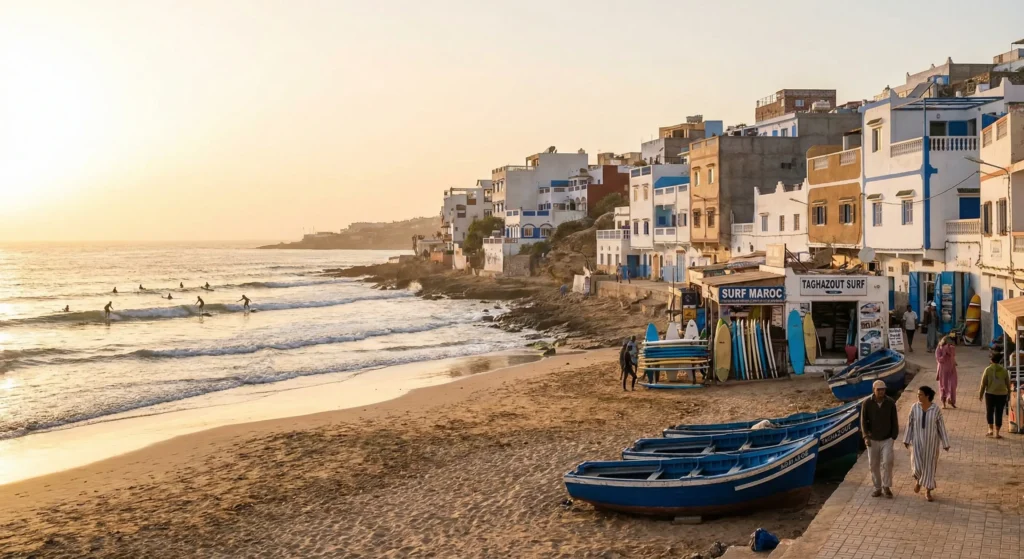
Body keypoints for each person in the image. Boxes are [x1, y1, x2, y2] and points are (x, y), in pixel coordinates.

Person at [902, 386, 951, 502]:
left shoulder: (935, 410)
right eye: (918, 394)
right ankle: (918, 480)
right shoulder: (914, 408)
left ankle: (928, 491)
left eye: (920, 394)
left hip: (931, 443)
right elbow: (910, 424)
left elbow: (941, 426)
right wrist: (906, 439)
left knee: (929, 467)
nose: (918, 396)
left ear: (927, 396)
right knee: (917, 465)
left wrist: (945, 443)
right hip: (917, 441)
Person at [861, 380, 899, 498]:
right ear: (874, 390)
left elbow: (894, 421)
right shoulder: (867, 403)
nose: (881, 391)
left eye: (883, 389)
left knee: (887, 462)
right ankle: (877, 487)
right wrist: (866, 436)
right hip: (872, 439)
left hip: (887, 438)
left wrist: (893, 436)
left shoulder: (890, 403)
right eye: (879, 390)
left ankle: (886, 486)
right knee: (873, 464)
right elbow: (863, 421)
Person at [979, 352, 1012, 438]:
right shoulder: (1004, 370)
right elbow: (1008, 383)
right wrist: (1009, 392)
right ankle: (997, 432)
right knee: (999, 412)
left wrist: (981, 394)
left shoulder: (988, 369)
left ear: (991, 360)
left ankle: (990, 430)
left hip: (990, 394)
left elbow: (983, 383)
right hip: (1002, 394)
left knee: (990, 411)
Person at [935, 336, 958, 409]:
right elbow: (952, 356)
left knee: (944, 385)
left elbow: (939, 359)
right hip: (948, 369)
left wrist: (945, 355)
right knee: (950, 384)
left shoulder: (940, 348)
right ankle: (949, 400)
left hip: (946, 369)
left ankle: (946, 402)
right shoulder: (950, 348)